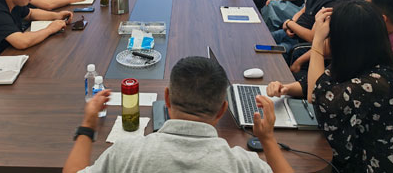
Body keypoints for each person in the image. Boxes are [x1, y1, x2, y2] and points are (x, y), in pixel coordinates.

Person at [63, 56, 293, 173]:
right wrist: (267, 139)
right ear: (222, 109)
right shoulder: (243, 165)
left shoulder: (125, 155)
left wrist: (88, 125)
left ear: (167, 98)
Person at [267, 2, 393, 173]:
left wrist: (317, 41)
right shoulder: (359, 60)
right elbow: (321, 83)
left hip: (365, 165)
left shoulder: (378, 82)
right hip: (344, 151)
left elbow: (318, 97)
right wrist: (286, 88)